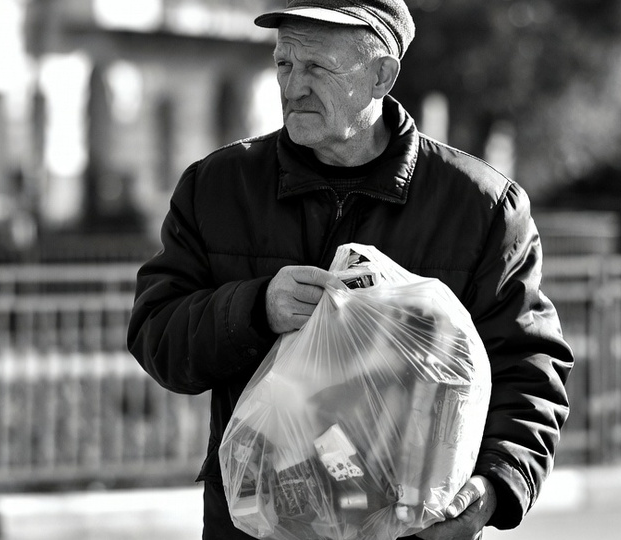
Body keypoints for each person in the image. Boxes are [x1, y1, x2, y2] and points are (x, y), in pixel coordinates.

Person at [126, 1, 573, 538]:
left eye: (318, 67)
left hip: (411, 528)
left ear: (382, 75)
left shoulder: (480, 208)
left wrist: (493, 489)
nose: (294, 87)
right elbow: (157, 333)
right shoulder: (218, 188)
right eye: (284, 64)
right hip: (258, 526)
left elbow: (530, 368)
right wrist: (255, 309)